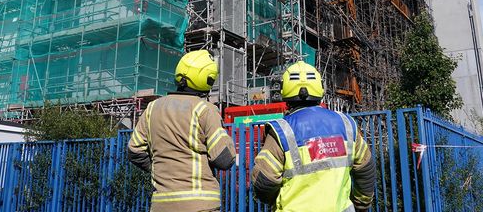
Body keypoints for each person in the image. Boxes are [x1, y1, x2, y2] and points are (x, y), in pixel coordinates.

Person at [251, 61, 376, 211]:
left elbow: (264, 181)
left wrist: (274, 200)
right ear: (319, 89)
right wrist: (361, 204)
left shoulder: (282, 131)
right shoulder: (346, 124)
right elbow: (366, 169)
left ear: (285, 92)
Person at [128, 50, 236, 212]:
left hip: (161, 204)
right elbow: (224, 159)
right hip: (200, 204)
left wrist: (160, 169)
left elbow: (134, 151)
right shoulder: (205, 110)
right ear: (208, 79)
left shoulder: (152, 109)